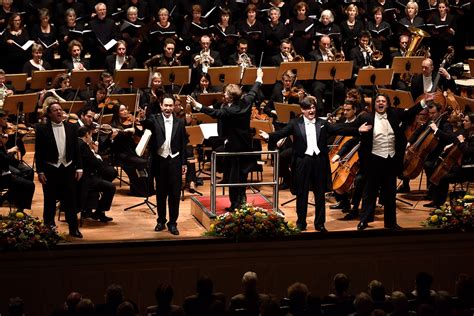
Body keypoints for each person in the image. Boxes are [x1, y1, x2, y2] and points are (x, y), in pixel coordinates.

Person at [260, 96, 350, 232]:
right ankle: (301, 222)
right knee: (302, 193)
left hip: (319, 161)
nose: (311, 110)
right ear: (302, 110)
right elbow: (282, 132)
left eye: (313, 107)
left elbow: (339, 129)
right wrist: (269, 136)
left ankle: (320, 223)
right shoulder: (295, 123)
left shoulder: (322, 123)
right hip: (303, 161)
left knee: (319, 194)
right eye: (308, 108)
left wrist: (358, 130)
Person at [349, 93, 433, 231]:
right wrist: (358, 130)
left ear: (387, 104)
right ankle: (364, 221)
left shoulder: (394, 114)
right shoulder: (366, 117)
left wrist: (424, 102)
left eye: (383, 101)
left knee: (390, 193)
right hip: (374, 160)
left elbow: (411, 112)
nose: (380, 103)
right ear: (374, 104)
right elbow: (351, 128)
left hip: (390, 160)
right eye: (378, 101)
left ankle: (391, 223)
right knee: (370, 192)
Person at [187, 68, 264, 212]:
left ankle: (236, 206)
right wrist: (259, 78)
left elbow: (215, 113)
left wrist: (198, 106)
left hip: (235, 147)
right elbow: (254, 91)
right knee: (241, 177)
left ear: (230, 97)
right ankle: (241, 204)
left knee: (234, 179)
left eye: (226, 93)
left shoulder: (230, 111)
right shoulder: (246, 101)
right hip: (246, 145)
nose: (224, 94)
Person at [140, 94, 187, 235]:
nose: (167, 108)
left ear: (174, 107)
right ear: (161, 106)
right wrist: (142, 117)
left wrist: (184, 162)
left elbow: (183, 144)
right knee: (161, 194)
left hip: (175, 161)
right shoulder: (155, 119)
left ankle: (173, 223)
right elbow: (146, 124)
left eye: (170, 105)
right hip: (160, 161)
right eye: (165, 105)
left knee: (174, 194)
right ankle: (161, 221)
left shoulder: (180, 122)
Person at [35, 100, 83, 238]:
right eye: (55, 110)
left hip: (68, 168)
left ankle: (73, 228)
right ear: (49, 114)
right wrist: (40, 171)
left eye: (60, 109)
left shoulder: (71, 127)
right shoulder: (42, 129)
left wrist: (79, 168)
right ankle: (49, 228)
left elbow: (76, 150)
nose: (59, 112)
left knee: (70, 200)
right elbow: (39, 152)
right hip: (51, 169)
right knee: (49, 200)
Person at [76, 125, 116, 222]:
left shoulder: (78, 143)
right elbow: (95, 163)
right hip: (85, 179)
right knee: (110, 187)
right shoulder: (83, 146)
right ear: (86, 135)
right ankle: (99, 212)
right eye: (91, 135)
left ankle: (92, 209)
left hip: (85, 176)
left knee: (106, 177)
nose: (91, 138)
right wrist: (96, 153)